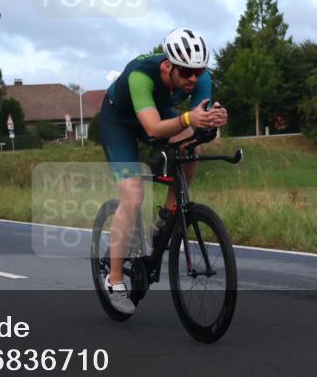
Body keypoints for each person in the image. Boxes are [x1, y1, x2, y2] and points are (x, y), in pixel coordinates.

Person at [97, 28, 228, 314]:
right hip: (119, 121)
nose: (193, 79)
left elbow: (196, 124)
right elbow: (154, 128)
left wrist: (212, 121)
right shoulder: (140, 75)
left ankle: (167, 215)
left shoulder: (201, 78)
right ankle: (115, 279)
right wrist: (189, 119)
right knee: (132, 197)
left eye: (199, 71)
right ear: (168, 66)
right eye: (185, 73)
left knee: (192, 147)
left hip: (155, 112)